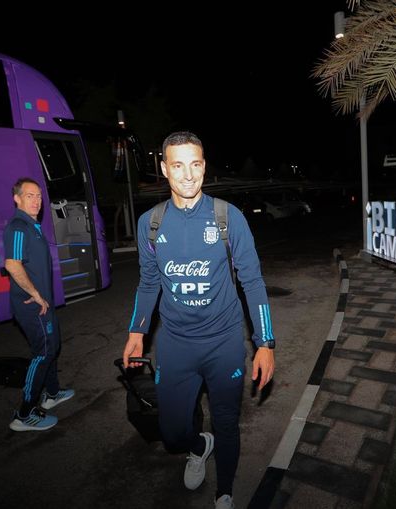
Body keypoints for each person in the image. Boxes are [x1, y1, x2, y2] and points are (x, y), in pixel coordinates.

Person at [123, 131, 276, 509]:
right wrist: (137, 330)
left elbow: (253, 282)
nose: (188, 175)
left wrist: (265, 343)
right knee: (172, 431)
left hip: (224, 342)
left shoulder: (228, 217)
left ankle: (224, 492)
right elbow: (149, 281)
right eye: (178, 165)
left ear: (204, 167)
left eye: (195, 164)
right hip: (175, 344)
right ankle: (197, 445)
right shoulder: (151, 224)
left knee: (225, 422)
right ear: (164, 169)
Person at [3, 177, 74, 431]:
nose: (36, 201)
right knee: (43, 352)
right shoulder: (19, 227)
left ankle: (52, 393)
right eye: (30, 195)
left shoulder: (32, 226)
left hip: (44, 302)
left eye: (39, 196)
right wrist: (35, 293)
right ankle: (24, 413)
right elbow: (12, 264)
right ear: (17, 198)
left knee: (53, 346)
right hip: (33, 304)